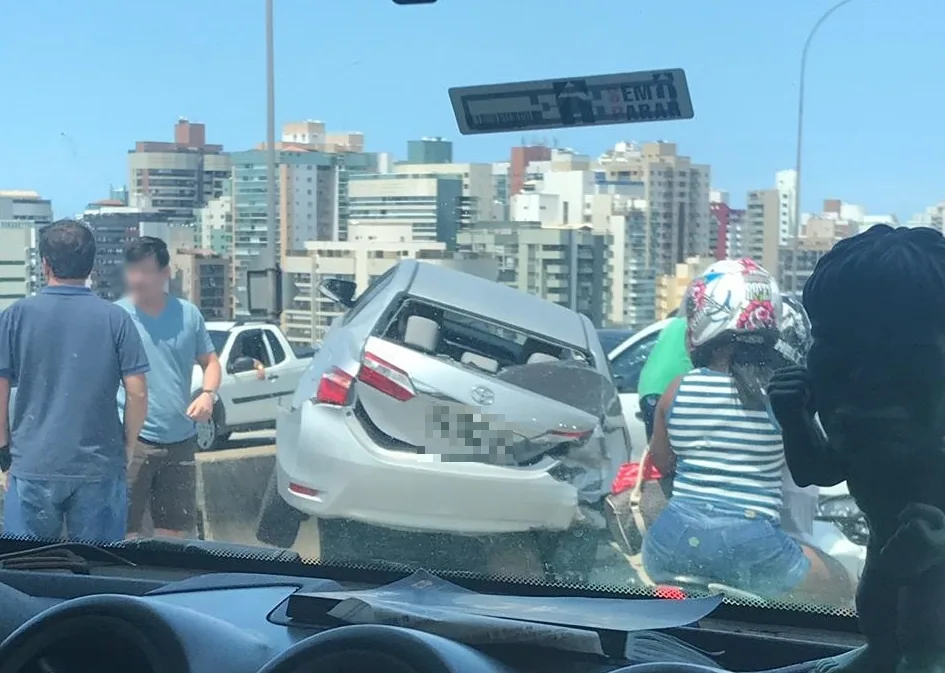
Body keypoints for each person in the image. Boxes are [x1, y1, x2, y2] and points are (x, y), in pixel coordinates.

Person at [641, 258, 846, 600]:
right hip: (754, 550)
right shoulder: (782, 395)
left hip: (668, 546)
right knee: (840, 581)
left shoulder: (676, 389)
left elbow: (663, 463)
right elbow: (805, 464)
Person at [0, 220, 149, 542]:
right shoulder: (115, 318)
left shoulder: (15, 316)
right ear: (92, 265)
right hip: (99, 464)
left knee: (28, 570)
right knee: (102, 568)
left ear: (45, 264)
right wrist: (128, 445)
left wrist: (3, 449)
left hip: (33, 463)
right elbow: (137, 393)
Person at [118, 237, 222, 538]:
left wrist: (207, 394)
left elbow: (211, 362)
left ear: (165, 274)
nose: (137, 278)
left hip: (181, 439)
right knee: (125, 532)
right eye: (132, 270)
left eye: (146, 271)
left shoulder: (188, 314)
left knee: (174, 534)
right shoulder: (117, 316)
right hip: (132, 441)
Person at [636, 311, 693, 442]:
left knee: (655, 450)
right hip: (670, 390)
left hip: (648, 387)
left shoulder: (672, 324)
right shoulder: (697, 326)